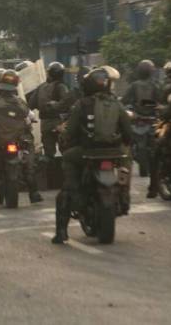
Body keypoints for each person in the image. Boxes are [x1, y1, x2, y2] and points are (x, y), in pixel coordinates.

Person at [52, 67, 132, 244]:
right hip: (114, 154)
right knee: (126, 164)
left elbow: (70, 132)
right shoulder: (116, 104)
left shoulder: (81, 104)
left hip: (87, 153)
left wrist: (64, 138)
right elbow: (128, 133)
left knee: (67, 168)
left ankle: (61, 231)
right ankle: (124, 198)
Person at [0, 69, 43, 204]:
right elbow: (31, 117)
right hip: (20, 139)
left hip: (1, 141)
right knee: (29, 165)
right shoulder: (20, 102)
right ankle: (33, 193)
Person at [28, 62, 69, 159]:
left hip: (45, 124)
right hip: (60, 123)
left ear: (49, 73)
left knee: (48, 153)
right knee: (66, 151)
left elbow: (30, 105)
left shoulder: (41, 87)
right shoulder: (62, 87)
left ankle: (49, 172)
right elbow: (68, 103)